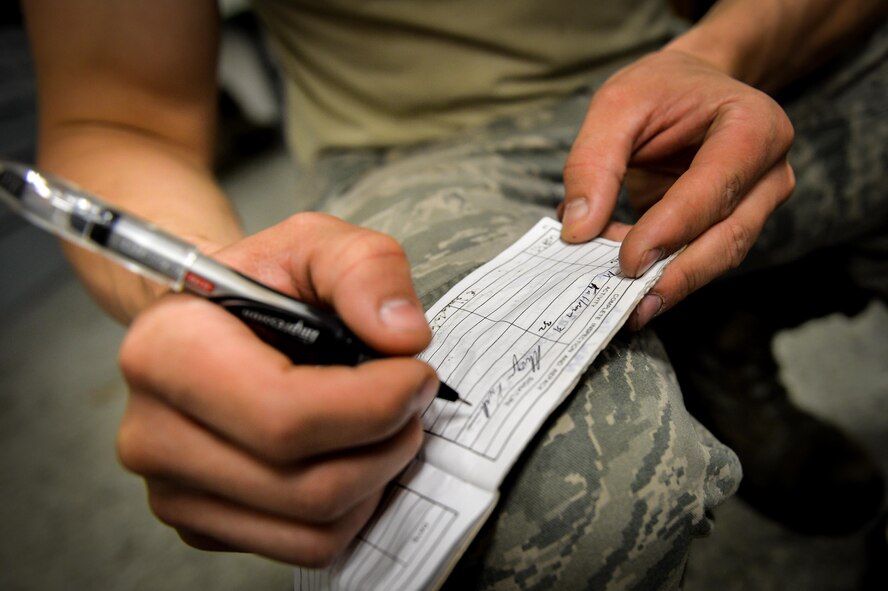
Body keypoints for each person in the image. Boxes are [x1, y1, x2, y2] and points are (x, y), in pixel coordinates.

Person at [21, 0, 887, 588]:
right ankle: (699, 330)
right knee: (544, 494)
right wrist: (226, 289)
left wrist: (716, 52)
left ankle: (715, 329)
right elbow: (118, 118)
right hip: (425, 145)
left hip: (704, 57)